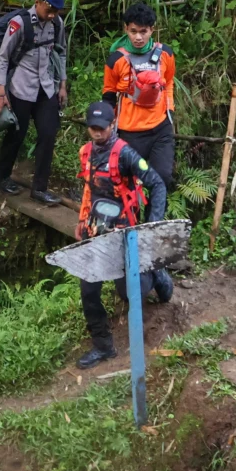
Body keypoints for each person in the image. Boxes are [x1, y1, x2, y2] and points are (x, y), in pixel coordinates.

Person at [73, 101, 171, 369]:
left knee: (129, 291)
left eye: (101, 128)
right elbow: (88, 190)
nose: (96, 133)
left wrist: (151, 227)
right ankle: (103, 346)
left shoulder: (126, 154)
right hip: (96, 230)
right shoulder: (86, 153)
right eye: (92, 128)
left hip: (125, 231)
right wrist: (82, 220)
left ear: (113, 125)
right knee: (88, 289)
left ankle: (157, 276)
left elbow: (157, 184)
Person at [0, 0, 68, 205]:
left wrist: (62, 84)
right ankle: (1, 177)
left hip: (46, 87)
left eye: (56, 12)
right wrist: (0, 91)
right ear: (38, 2)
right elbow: (4, 57)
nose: (52, 15)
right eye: (49, 10)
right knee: (16, 135)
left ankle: (40, 189)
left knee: (48, 134)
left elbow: (61, 53)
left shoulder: (57, 24)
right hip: (21, 87)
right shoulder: (20, 23)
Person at [102, 1, 177, 192]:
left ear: (152, 30)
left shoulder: (165, 54)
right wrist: (107, 125)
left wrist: (170, 110)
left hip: (160, 128)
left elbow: (168, 83)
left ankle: (155, 220)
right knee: (126, 183)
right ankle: (128, 220)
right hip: (130, 131)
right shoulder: (116, 60)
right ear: (126, 28)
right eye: (133, 31)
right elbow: (108, 94)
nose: (138, 37)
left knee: (162, 179)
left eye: (143, 32)